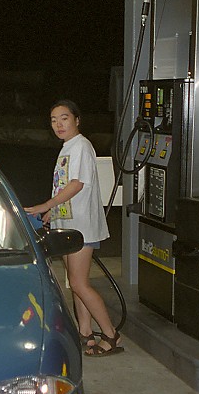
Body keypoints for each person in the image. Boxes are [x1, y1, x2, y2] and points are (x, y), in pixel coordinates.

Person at [24, 99, 124, 357]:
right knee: (75, 282)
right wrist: (52, 212)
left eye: (64, 118)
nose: (58, 124)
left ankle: (110, 334)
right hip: (68, 224)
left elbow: (77, 184)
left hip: (81, 226)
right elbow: (64, 188)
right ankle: (85, 332)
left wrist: (45, 204)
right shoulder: (68, 147)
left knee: (79, 284)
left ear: (77, 120)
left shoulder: (81, 146)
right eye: (54, 120)